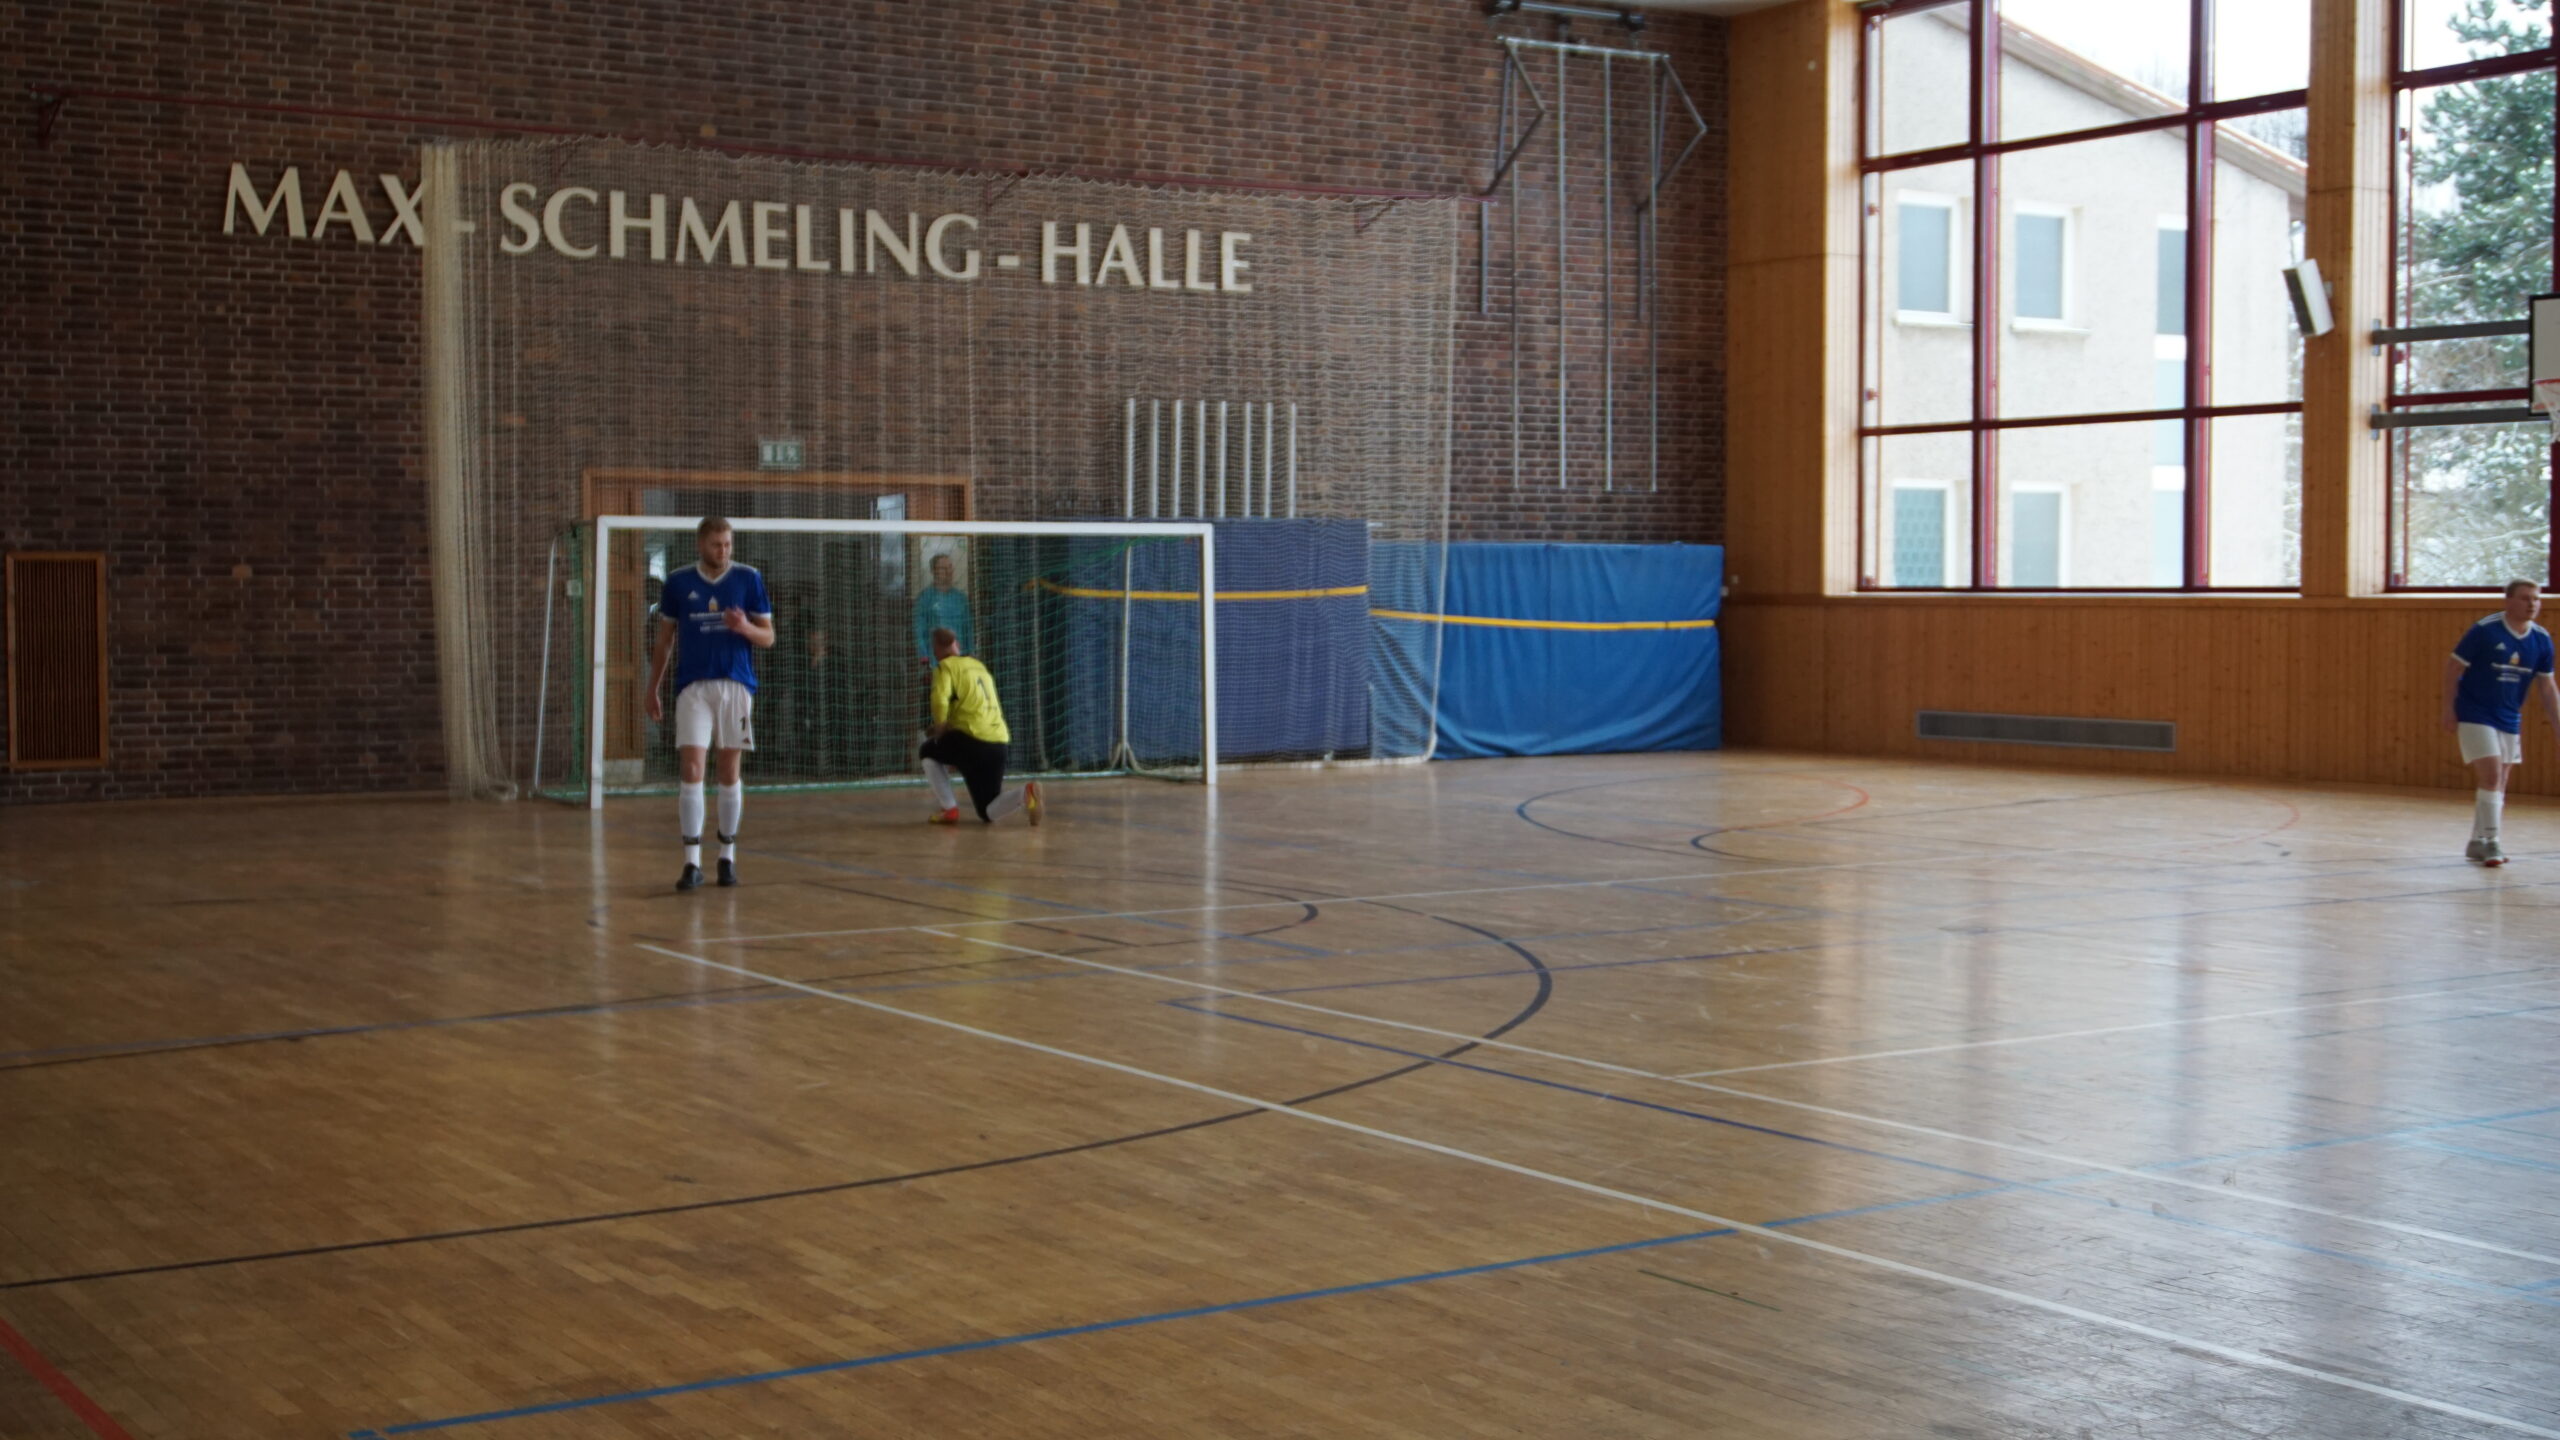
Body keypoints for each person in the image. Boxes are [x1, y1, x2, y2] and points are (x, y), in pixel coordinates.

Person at [644, 517, 776, 890]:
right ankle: (691, 863)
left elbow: (768, 637)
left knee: (729, 771)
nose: (724, 551)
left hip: (735, 685)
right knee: (691, 768)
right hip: (693, 687)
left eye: (728, 544)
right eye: (717, 544)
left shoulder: (748, 578)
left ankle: (727, 856)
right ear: (701, 545)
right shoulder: (678, 582)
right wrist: (653, 687)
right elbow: (664, 640)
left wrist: (744, 627)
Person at [2440, 578, 2559, 866]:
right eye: (2525, 598)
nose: (2532, 604)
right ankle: (2492, 841)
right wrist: (2448, 708)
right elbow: (2453, 667)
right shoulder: (2485, 630)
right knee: (2492, 775)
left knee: (2500, 780)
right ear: (2508, 601)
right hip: (2475, 712)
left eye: (2536, 599)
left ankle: (2476, 841)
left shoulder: (2541, 639)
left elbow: (2547, 687)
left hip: (2509, 716)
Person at [919, 626, 1041, 826]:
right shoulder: (979, 666)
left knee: (927, 751)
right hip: (999, 742)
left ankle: (949, 809)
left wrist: (940, 726)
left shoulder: (945, 667)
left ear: (936, 650)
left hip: (971, 740)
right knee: (988, 810)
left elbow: (940, 700)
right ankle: (1025, 793)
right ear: (957, 644)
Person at [913, 550, 974, 672]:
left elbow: (968, 629)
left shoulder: (961, 599)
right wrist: (924, 657)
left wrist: (970, 654)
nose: (948, 572)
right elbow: (919, 631)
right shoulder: (925, 598)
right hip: (936, 663)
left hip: (959, 662)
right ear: (933, 571)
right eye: (943, 568)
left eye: (950, 567)